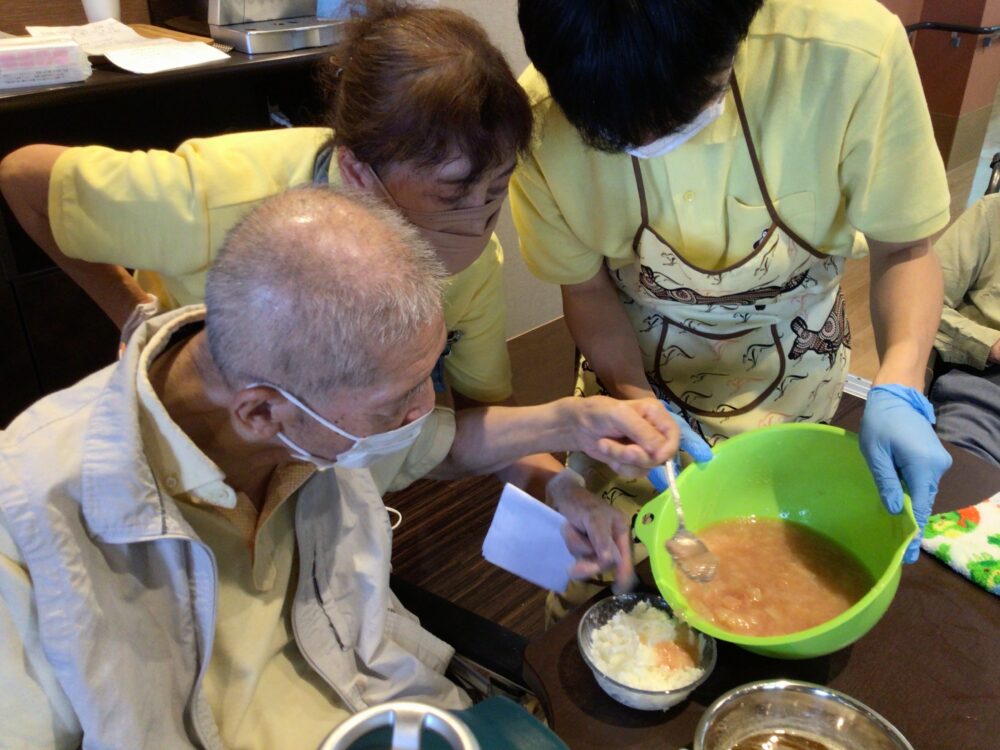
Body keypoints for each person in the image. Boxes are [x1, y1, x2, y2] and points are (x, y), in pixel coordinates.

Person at [0, 186, 679, 750]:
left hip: (394, 701)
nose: (422, 409)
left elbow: (439, 442)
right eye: (395, 403)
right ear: (263, 414)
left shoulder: (305, 404)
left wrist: (567, 432)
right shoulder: (30, 519)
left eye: (428, 376)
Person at [0, 0, 606, 556]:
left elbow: (472, 421)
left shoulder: (472, 272)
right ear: (358, 172)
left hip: (323, 471)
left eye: (495, 196)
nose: (476, 230)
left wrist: (561, 489)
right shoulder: (212, 196)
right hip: (188, 445)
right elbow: (23, 177)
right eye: (450, 199)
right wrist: (133, 312)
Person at [511, 0, 954, 620]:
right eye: (616, 137)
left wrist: (901, 378)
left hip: (793, 380)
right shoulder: (539, 114)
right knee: (600, 602)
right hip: (633, 401)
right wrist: (634, 392)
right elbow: (586, 290)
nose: (649, 143)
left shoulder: (852, 54)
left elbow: (905, 245)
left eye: (673, 117)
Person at [930, 193, 1000, 466]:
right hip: (986, 387)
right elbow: (921, 303)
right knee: (966, 482)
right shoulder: (992, 213)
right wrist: (990, 343)